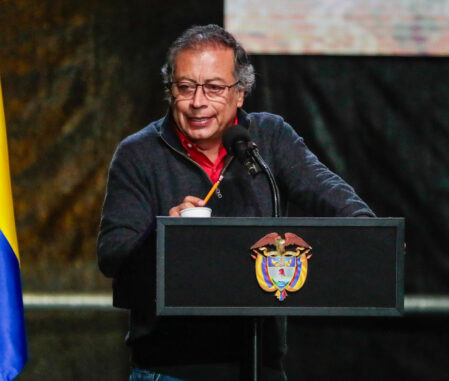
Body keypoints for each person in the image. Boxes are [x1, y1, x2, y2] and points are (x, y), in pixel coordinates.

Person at [97, 24, 374, 381]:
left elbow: (328, 191)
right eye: (185, 88)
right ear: (171, 92)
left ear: (240, 94)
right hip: (169, 369)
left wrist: (370, 231)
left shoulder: (268, 137)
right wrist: (165, 233)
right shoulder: (138, 153)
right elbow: (113, 254)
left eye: (214, 88)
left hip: (260, 364)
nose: (198, 102)